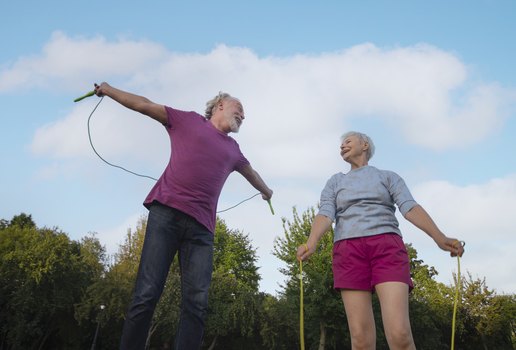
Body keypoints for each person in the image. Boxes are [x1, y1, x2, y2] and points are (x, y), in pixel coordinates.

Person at [93, 83, 273, 350]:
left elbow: (251, 173)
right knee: (147, 293)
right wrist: (108, 90)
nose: (243, 116)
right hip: (166, 214)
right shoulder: (187, 120)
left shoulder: (234, 149)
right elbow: (143, 104)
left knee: (197, 302)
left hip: (201, 231)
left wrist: (267, 191)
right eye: (240, 108)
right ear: (220, 104)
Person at [296, 131, 464, 350]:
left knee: (400, 334)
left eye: (348, 141)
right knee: (361, 340)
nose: (342, 146)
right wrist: (312, 242)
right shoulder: (336, 181)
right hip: (348, 251)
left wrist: (439, 237)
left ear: (364, 144)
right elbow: (326, 213)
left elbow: (410, 207)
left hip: (387, 247)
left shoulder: (388, 177)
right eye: (341, 144)